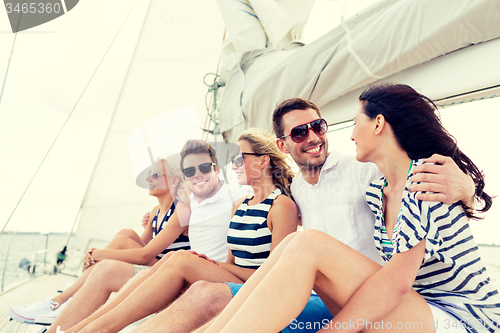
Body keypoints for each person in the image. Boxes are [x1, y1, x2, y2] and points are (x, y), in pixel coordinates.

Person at [133, 97, 478, 333]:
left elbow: (418, 183)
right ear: (282, 145)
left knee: (303, 244)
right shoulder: (295, 192)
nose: (313, 137)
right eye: (300, 132)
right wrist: (166, 215)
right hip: (329, 295)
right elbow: (246, 201)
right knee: (204, 295)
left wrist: (468, 191)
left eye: (319, 126)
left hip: (379, 302)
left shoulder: (366, 172)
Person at [63, 130, 298, 333]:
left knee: (181, 259)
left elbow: (275, 275)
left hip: (257, 286)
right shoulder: (241, 205)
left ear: (263, 160)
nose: (234, 165)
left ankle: (96, 329)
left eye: (239, 158)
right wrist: (213, 264)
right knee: (169, 261)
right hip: (228, 277)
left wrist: (212, 265)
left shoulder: (281, 206)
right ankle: (83, 328)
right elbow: (230, 259)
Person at [7, 155, 191, 327]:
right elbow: (137, 250)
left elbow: (143, 256)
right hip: (155, 266)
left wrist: (98, 254)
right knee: (125, 234)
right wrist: (100, 257)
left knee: (121, 242)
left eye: (156, 174)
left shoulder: (182, 210)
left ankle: (61, 302)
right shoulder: (154, 213)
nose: (149, 179)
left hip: (169, 274)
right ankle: (69, 301)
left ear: (174, 180)